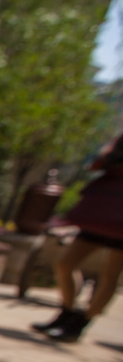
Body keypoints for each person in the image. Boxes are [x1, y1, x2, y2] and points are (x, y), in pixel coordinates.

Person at [31, 133, 123, 342]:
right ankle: (67, 312)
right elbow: (95, 164)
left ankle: (81, 323)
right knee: (65, 264)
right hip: (101, 211)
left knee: (111, 275)